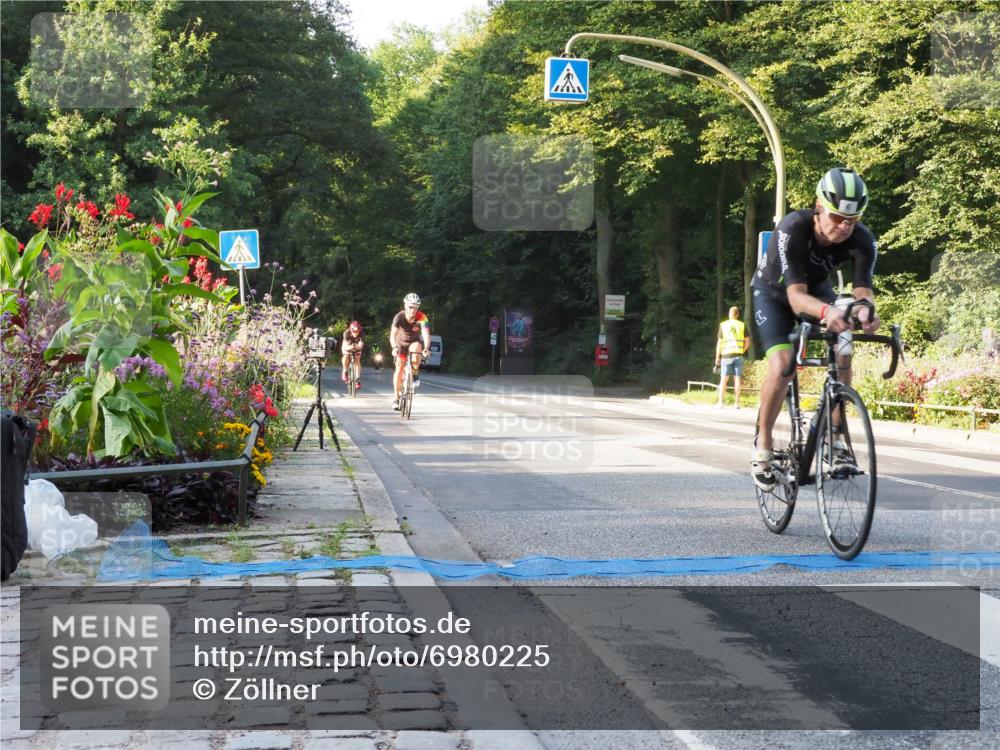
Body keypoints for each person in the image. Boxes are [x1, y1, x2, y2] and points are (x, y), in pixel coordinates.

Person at [750, 167, 881, 490]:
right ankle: (763, 447)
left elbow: (863, 289)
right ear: (819, 207)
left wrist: (866, 311)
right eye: (837, 218)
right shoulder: (793, 228)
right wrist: (828, 311)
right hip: (775, 294)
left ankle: (836, 439)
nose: (844, 227)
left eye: (852, 220)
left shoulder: (862, 239)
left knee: (844, 346)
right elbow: (796, 299)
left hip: (817, 291)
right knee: (783, 367)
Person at [390, 293, 431, 411]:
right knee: (399, 368)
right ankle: (396, 398)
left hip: (414, 342)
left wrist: (426, 347)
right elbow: (393, 335)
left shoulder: (422, 317)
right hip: (401, 344)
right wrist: (394, 347)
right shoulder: (399, 317)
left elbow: (425, 334)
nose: (413, 310)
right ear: (405, 306)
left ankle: (414, 372)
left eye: (416, 307)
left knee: (417, 348)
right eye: (410, 307)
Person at [714, 306, 750, 409]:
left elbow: (719, 343)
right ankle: (737, 403)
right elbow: (747, 342)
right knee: (737, 379)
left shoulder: (723, 325)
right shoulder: (742, 325)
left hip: (726, 355)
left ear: (730, 314)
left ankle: (720, 403)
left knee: (724, 379)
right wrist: (741, 351)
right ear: (738, 314)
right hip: (738, 355)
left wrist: (717, 358)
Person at [341, 320, 364, 389]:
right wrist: (350, 347)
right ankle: (345, 371)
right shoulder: (346, 333)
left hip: (357, 345)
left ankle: (357, 379)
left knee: (357, 360)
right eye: (354, 332)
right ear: (351, 330)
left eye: (357, 332)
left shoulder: (362, 333)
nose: (356, 333)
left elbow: (361, 345)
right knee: (346, 355)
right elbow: (345, 346)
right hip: (348, 344)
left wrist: (358, 347)